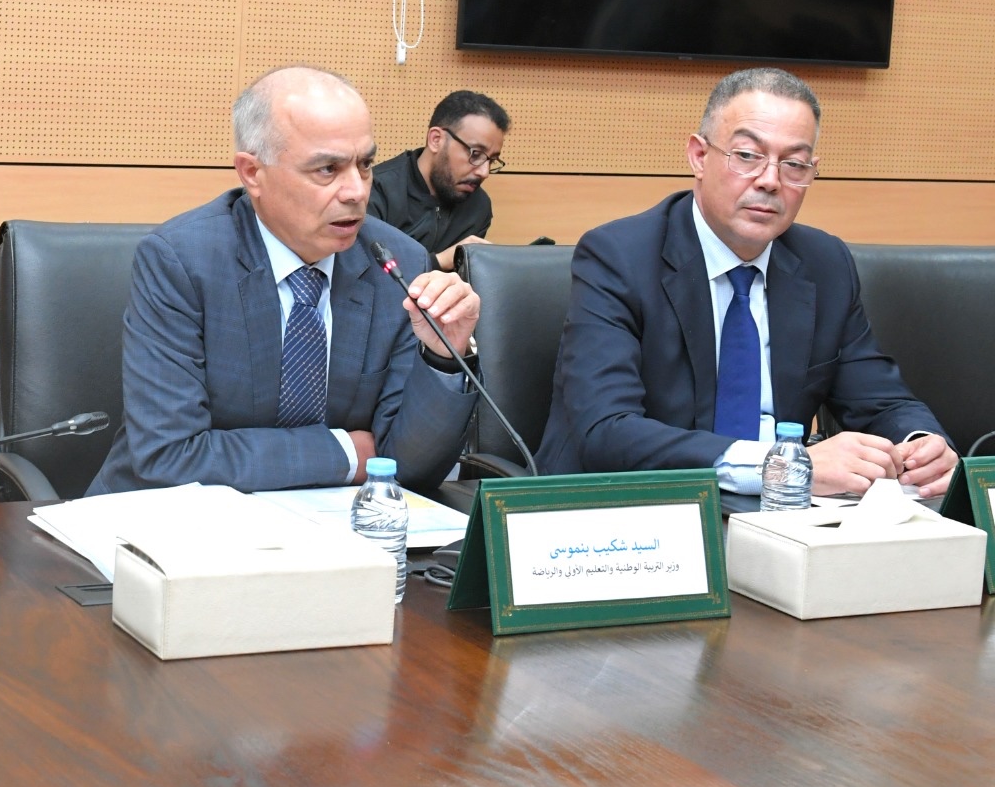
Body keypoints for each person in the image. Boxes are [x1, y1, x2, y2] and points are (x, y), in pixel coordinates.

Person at [538, 67, 957, 498]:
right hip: (638, 507)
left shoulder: (824, 263)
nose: (771, 180)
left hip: (784, 514)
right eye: (747, 155)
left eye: (794, 164)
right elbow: (608, 431)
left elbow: (881, 401)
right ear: (699, 156)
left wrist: (920, 444)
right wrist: (785, 466)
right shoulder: (618, 256)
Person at [88, 66, 480, 496]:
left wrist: (443, 357)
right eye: (327, 169)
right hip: (167, 517)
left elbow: (410, 467)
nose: (356, 191)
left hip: (330, 520)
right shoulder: (181, 261)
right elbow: (169, 456)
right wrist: (346, 453)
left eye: (365, 164)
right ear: (252, 173)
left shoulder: (396, 262)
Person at [368, 90, 509, 271]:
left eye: (492, 160)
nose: (484, 172)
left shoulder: (478, 205)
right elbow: (365, 274)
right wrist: (439, 261)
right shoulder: (376, 190)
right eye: (476, 154)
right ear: (436, 139)